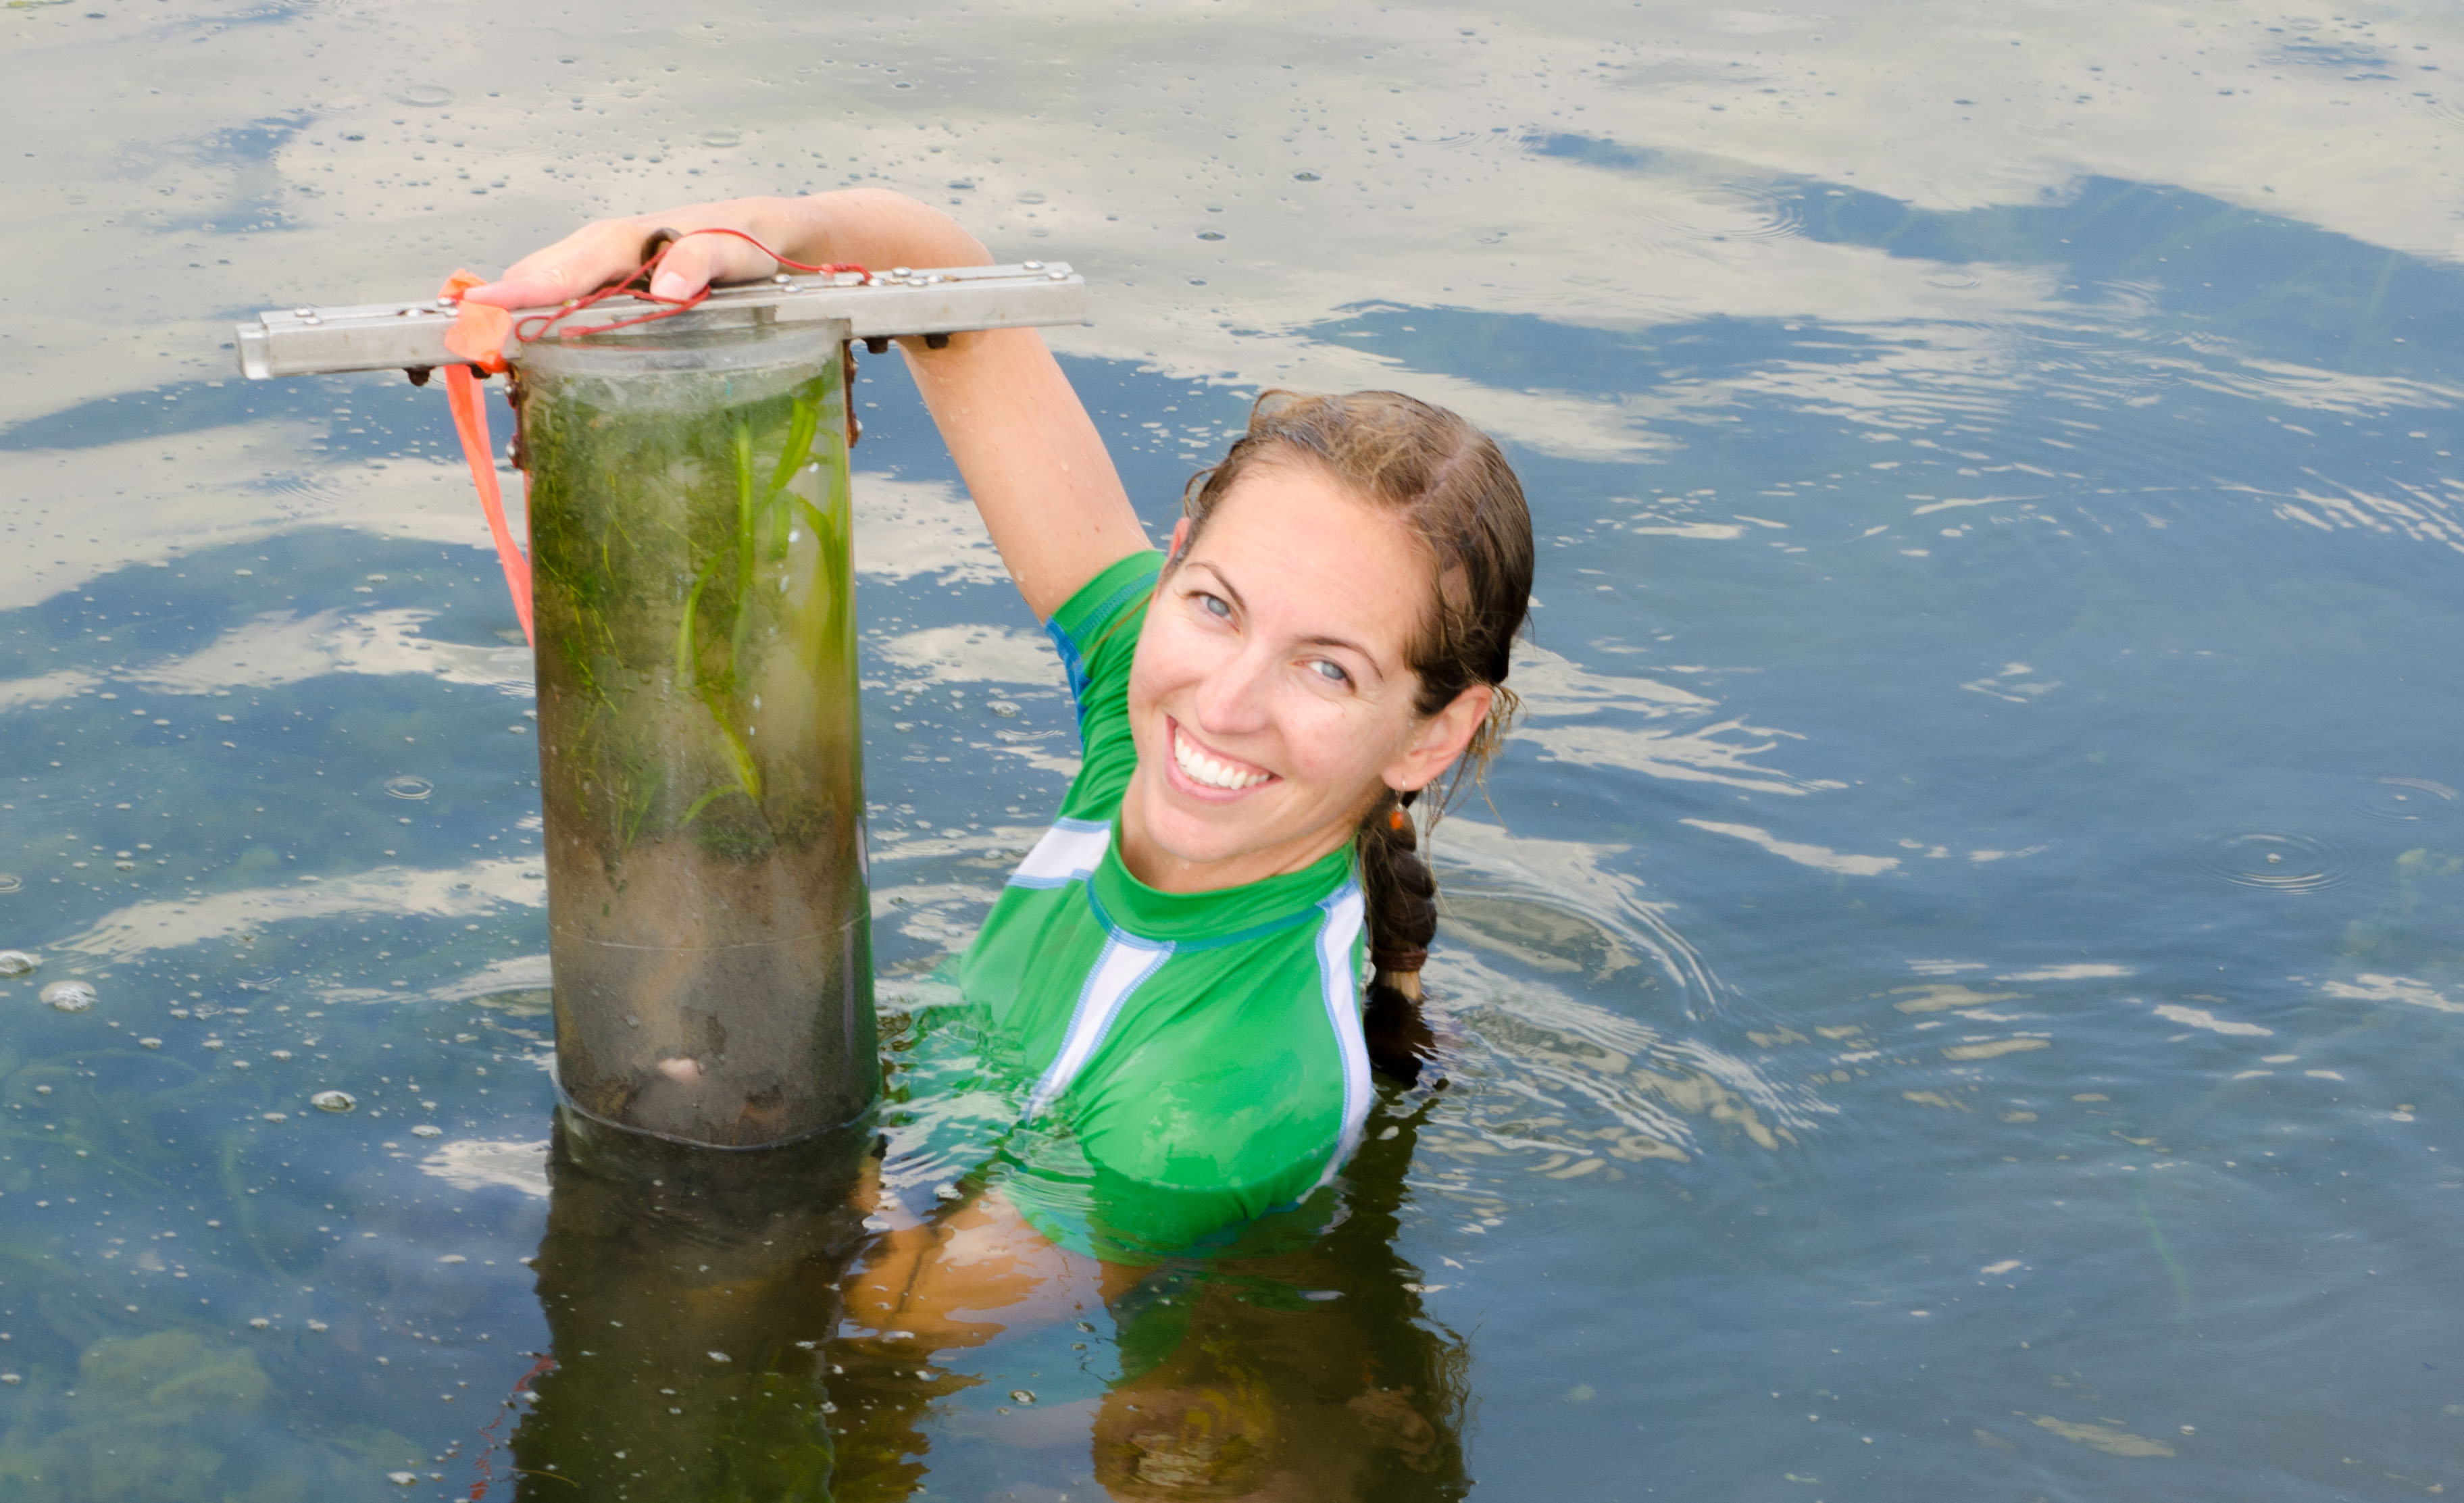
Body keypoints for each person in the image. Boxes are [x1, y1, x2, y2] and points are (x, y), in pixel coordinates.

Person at [470, 184, 1532, 1312]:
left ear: (1436, 732)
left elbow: (888, 1324)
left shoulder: (1215, 1109)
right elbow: (951, 300)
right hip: (914, 1165)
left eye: (1330, 668)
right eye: (1216, 605)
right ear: (1171, 565)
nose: (1223, 703)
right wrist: (740, 236)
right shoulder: (1145, 703)